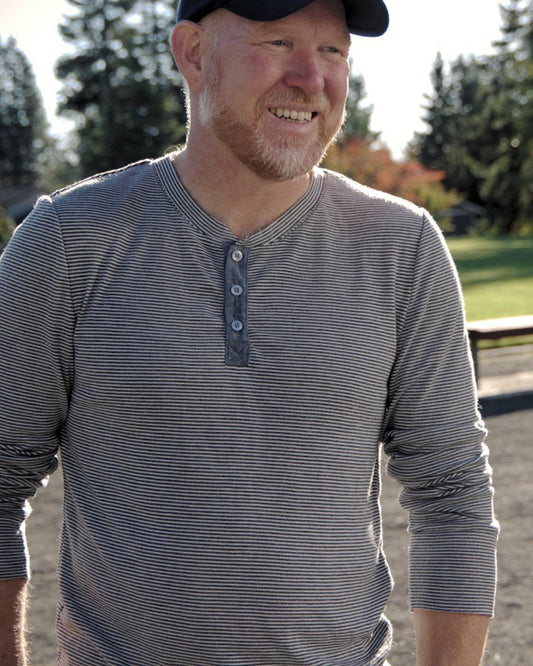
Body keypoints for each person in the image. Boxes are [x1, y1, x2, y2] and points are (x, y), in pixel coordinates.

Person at [0, 0, 498, 664]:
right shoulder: (68, 241)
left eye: (332, 51)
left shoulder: (401, 247)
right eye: (278, 42)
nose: (310, 79)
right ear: (192, 53)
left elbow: (451, 492)